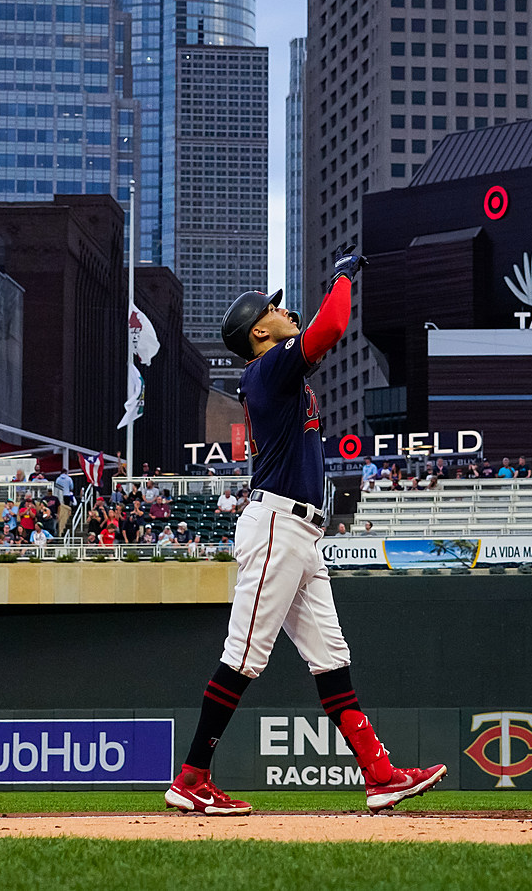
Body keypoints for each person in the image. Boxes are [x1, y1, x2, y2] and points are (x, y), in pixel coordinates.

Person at [164, 261, 444, 817]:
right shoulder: (266, 369)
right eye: (272, 308)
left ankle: (381, 776)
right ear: (258, 333)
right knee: (244, 655)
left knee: (330, 659)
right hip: (276, 524)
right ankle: (191, 778)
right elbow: (333, 325)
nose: (284, 310)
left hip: (300, 532)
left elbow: (319, 334)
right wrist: (343, 278)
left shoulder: (276, 371)